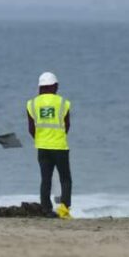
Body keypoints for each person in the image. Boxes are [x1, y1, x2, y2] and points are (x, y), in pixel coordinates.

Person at [26, 72, 73, 219]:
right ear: (55, 86)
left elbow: (31, 129)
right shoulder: (63, 103)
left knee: (45, 179)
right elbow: (67, 125)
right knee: (65, 179)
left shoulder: (32, 103)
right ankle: (64, 210)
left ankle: (46, 209)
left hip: (42, 147)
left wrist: (40, 139)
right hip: (59, 147)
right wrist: (58, 136)